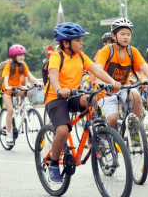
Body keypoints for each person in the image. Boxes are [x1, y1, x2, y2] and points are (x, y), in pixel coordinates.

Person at [45, 22, 122, 183]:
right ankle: (53, 164)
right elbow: (53, 77)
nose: (82, 43)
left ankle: (96, 130)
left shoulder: (81, 56)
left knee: (92, 98)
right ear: (66, 43)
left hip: (73, 95)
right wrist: (60, 89)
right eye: (78, 40)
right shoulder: (56, 57)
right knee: (63, 131)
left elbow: (98, 71)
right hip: (56, 98)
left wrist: (113, 82)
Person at [96, 18, 148, 129]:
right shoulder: (107, 50)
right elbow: (98, 69)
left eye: (128, 34)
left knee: (136, 96)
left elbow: (144, 65)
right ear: (114, 36)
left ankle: (136, 129)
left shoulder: (132, 51)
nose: (126, 37)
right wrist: (100, 82)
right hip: (105, 89)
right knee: (113, 118)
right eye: (122, 34)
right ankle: (104, 139)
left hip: (124, 86)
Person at [2, 44, 43, 146]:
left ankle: (26, 109)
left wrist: (38, 83)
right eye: (19, 55)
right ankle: (9, 134)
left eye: (23, 55)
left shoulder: (23, 65)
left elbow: (30, 76)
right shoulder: (8, 65)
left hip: (17, 87)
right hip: (7, 90)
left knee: (28, 91)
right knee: (10, 110)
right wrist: (7, 86)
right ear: (13, 56)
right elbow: (6, 78)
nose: (22, 57)